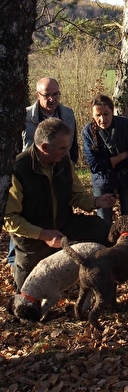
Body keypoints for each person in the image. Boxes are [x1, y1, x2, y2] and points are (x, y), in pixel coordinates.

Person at [4, 117, 116, 291]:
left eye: (68, 147)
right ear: (45, 148)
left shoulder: (64, 162)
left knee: (103, 230)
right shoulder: (18, 169)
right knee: (27, 296)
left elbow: (76, 195)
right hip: (32, 238)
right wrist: (44, 235)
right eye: (62, 148)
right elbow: (10, 219)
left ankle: (101, 283)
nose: (66, 152)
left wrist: (96, 201)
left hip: (64, 224)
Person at [7, 77, 79, 269]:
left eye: (55, 94)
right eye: (47, 95)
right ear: (37, 95)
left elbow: (72, 146)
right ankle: (15, 261)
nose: (52, 99)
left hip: (57, 170)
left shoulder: (68, 115)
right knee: (23, 215)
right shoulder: (24, 117)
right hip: (28, 173)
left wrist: (68, 162)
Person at [82, 94, 128, 225]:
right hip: (102, 180)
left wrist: (109, 163)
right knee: (103, 220)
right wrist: (121, 156)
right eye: (98, 115)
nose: (102, 119)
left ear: (112, 111)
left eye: (106, 114)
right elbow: (94, 165)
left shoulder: (127, 126)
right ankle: (105, 245)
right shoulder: (87, 132)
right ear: (92, 114)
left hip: (127, 177)